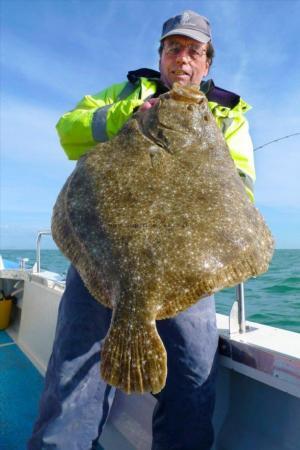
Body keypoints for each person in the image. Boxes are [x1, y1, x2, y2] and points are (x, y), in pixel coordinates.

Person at [28, 10, 255, 450]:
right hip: (102, 255)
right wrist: (127, 115)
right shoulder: (125, 95)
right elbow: (67, 132)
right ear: (161, 55)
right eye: (174, 49)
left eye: (194, 51)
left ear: (208, 63)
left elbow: (242, 196)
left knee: (192, 375)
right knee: (74, 372)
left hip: (185, 267)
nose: (183, 60)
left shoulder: (229, 119)